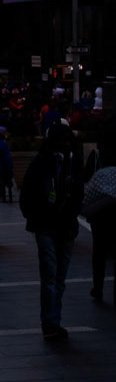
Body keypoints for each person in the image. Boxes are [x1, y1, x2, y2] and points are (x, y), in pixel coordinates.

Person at [20, 121, 84, 341]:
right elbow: (28, 192)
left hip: (61, 225)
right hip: (48, 224)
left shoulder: (70, 163)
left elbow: (78, 193)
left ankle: (52, 321)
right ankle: (51, 322)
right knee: (52, 276)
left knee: (57, 277)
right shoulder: (45, 163)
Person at [82, 129, 116, 304]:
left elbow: (87, 179)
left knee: (99, 251)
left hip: (100, 215)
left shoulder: (97, 156)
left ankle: (98, 286)